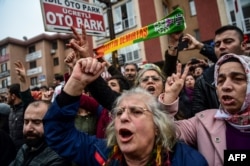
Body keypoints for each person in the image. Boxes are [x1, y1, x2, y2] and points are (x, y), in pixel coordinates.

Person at [43, 57, 208, 166]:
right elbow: (59, 134)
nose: (123, 117)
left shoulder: (188, 161)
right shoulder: (102, 154)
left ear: (157, 126)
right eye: (119, 112)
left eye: (136, 112)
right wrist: (76, 82)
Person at [159, 53, 250, 165]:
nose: (226, 86)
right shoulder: (202, 122)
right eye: (220, 80)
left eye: (237, 79)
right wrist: (168, 102)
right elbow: (163, 133)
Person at [188, 25, 247, 115]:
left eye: (228, 42)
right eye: (217, 44)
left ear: (243, 45)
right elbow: (200, 118)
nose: (221, 47)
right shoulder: (203, 81)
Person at [10, 100, 71, 166]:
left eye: (37, 122)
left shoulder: (58, 157)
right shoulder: (25, 148)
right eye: (26, 122)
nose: (28, 128)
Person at [7, 83, 25, 151]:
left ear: (13, 96)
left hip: (23, 149)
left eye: (7, 94)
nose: (6, 96)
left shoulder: (25, 110)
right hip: (13, 148)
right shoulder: (11, 110)